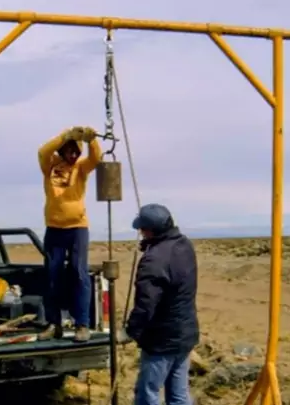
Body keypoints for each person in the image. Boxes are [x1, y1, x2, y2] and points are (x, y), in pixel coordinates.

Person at [119, 203, 200, 405]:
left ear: (151, 230)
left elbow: (146, 304)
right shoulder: (184, 245)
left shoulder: (153, 260)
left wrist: (130, 331)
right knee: (179, 395)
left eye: (142, 228)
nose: (140, 232)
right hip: (184, 333)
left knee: (148, 394)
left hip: (162, 340)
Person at [36, 126, 102, 342]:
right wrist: (65, 136)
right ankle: (53, 324)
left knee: (79, 273)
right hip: (54, 228)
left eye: (76, 151)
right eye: (69, 150)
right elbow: (42, 152)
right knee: (52, 276)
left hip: (77, 228)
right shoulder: (50, 166)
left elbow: (96, 159)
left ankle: (82, 325)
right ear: (62, 150)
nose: (73, 155)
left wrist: (91, 141)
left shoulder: (81, 167)